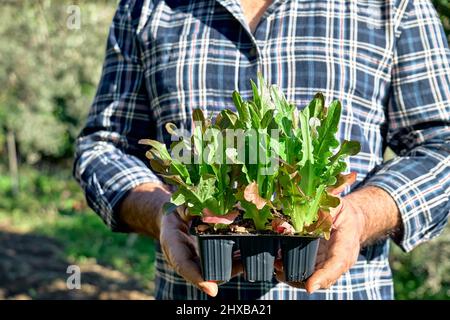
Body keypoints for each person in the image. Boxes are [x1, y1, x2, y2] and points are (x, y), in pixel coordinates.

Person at [74, 0, 450, 300]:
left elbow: (442, 147)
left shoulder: (395, 5)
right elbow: (103, 147)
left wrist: (360, 215)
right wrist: (162, 213)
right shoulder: (146, 7)